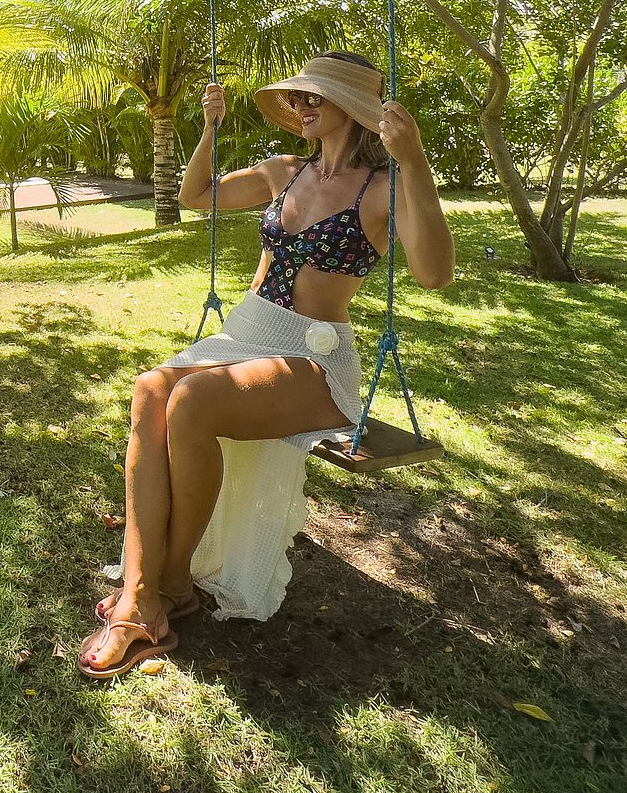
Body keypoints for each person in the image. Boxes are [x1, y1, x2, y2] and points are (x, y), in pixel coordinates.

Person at [78, 51, 454, 678]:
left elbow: (435, 273)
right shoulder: (285, 171)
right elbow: (195, 196)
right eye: (296, 96)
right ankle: (143, 588)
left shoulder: (382, 188)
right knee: (150, 390)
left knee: (192, 401)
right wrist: (209, 129)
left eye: (315, 96)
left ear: (352, 107)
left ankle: (165, 589)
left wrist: (415, 162)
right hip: (246, 333)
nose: (300, 105)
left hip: (312, 354)